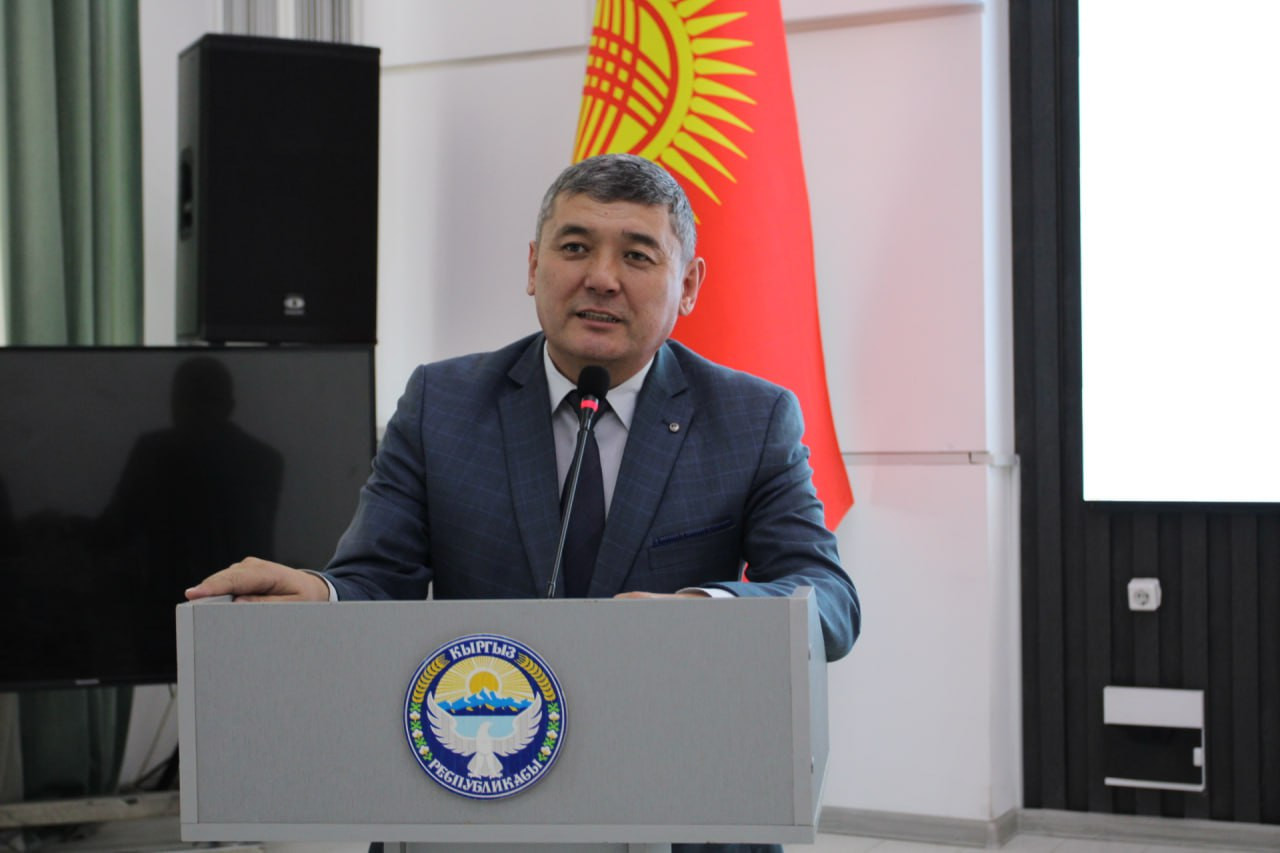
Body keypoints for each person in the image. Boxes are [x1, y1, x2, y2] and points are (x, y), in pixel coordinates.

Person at [186, 153, 860, 852]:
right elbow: (377, 579)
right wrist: (320, 595)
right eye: (575, 247)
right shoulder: (442, 404)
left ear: (687, 284)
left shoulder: (751, 418)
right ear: (534, 265)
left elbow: (830, 600)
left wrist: (704, 613)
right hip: (479, 794)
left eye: (637, 254)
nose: (601, 277)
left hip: (679, 802)